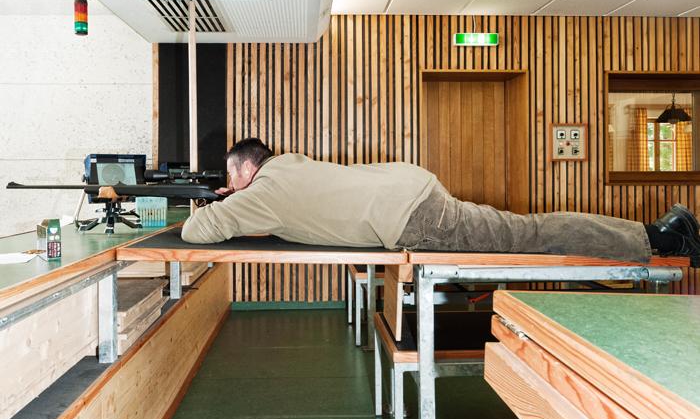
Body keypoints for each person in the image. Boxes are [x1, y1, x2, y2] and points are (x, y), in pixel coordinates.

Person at [181, 138, 700, 265]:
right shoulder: (288, 164)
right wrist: (239, 197)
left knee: (528, 233)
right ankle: (657, 235)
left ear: (244, 170)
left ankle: (661, 238)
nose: (231, 184)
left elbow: (195, 231)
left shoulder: (263, 192)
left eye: (231, 176)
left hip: (413, 217)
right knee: (523, 227)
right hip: (410, 187)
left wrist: (225, 202)